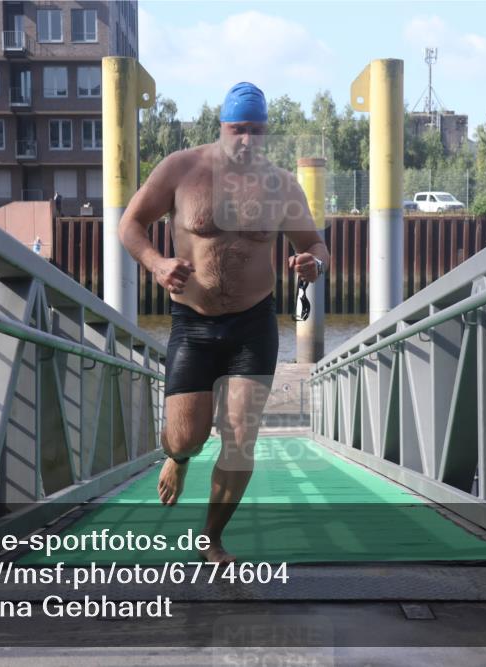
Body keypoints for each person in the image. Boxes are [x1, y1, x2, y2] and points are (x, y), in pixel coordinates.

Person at [118, 82, 330, 564]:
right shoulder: (182, 168)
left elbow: (315, 246)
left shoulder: (281, 185)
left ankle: (210, 537)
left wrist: (314, 263)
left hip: (253, 325)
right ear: (222, 127)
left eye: (257, 131)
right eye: (239, 129)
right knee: (185, 435)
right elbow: (130, 224)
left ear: (266, 131)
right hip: (193, 323)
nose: (247, 141)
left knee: (239, 437)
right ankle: (178, 458)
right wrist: (155, 263)